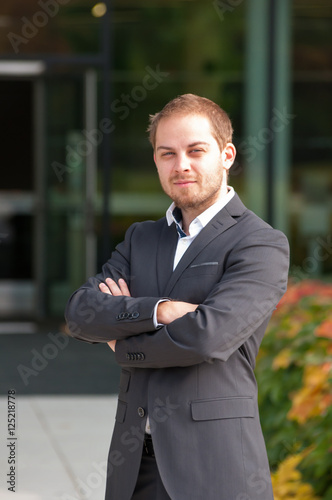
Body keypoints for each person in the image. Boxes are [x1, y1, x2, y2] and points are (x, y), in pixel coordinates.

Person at [65, 93, 289, 500]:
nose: (180, 165)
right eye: (167, 153)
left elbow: (207, 336)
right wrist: (161, 310)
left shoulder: (260, 244)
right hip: (135, 466)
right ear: (155, 161)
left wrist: (122, 340)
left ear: (226, 154)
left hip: (214, 467)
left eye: (195, 150)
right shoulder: (141, 238)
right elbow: (81, 313)